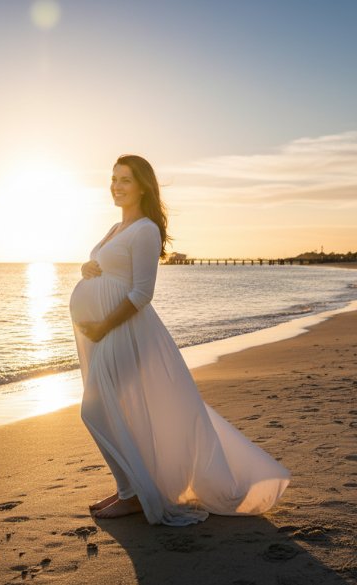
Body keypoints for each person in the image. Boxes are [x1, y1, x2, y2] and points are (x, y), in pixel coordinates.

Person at [69, 154, 291, 526]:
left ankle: (137, 495)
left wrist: (104, 325)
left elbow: (141, 293)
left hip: (123, 332)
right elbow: (105, 268)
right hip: (101, 332)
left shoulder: (145, 230)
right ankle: (131, 489)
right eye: (113, 178)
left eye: (125, 179)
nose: (116, 186)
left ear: (143, 186)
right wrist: (86, 268)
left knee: (96, 409)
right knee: (115, 410)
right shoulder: (115, 227)